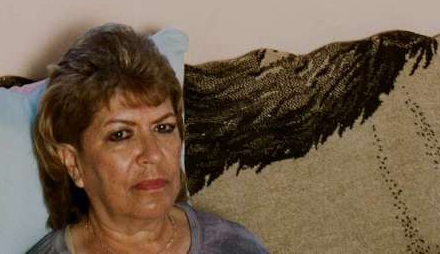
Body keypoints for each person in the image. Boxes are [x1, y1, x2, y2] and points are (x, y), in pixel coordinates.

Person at [28, 25, 267, 254]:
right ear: (73, 163)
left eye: (163, 128)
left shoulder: (235, 245)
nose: (152, 154)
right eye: (120, 135)